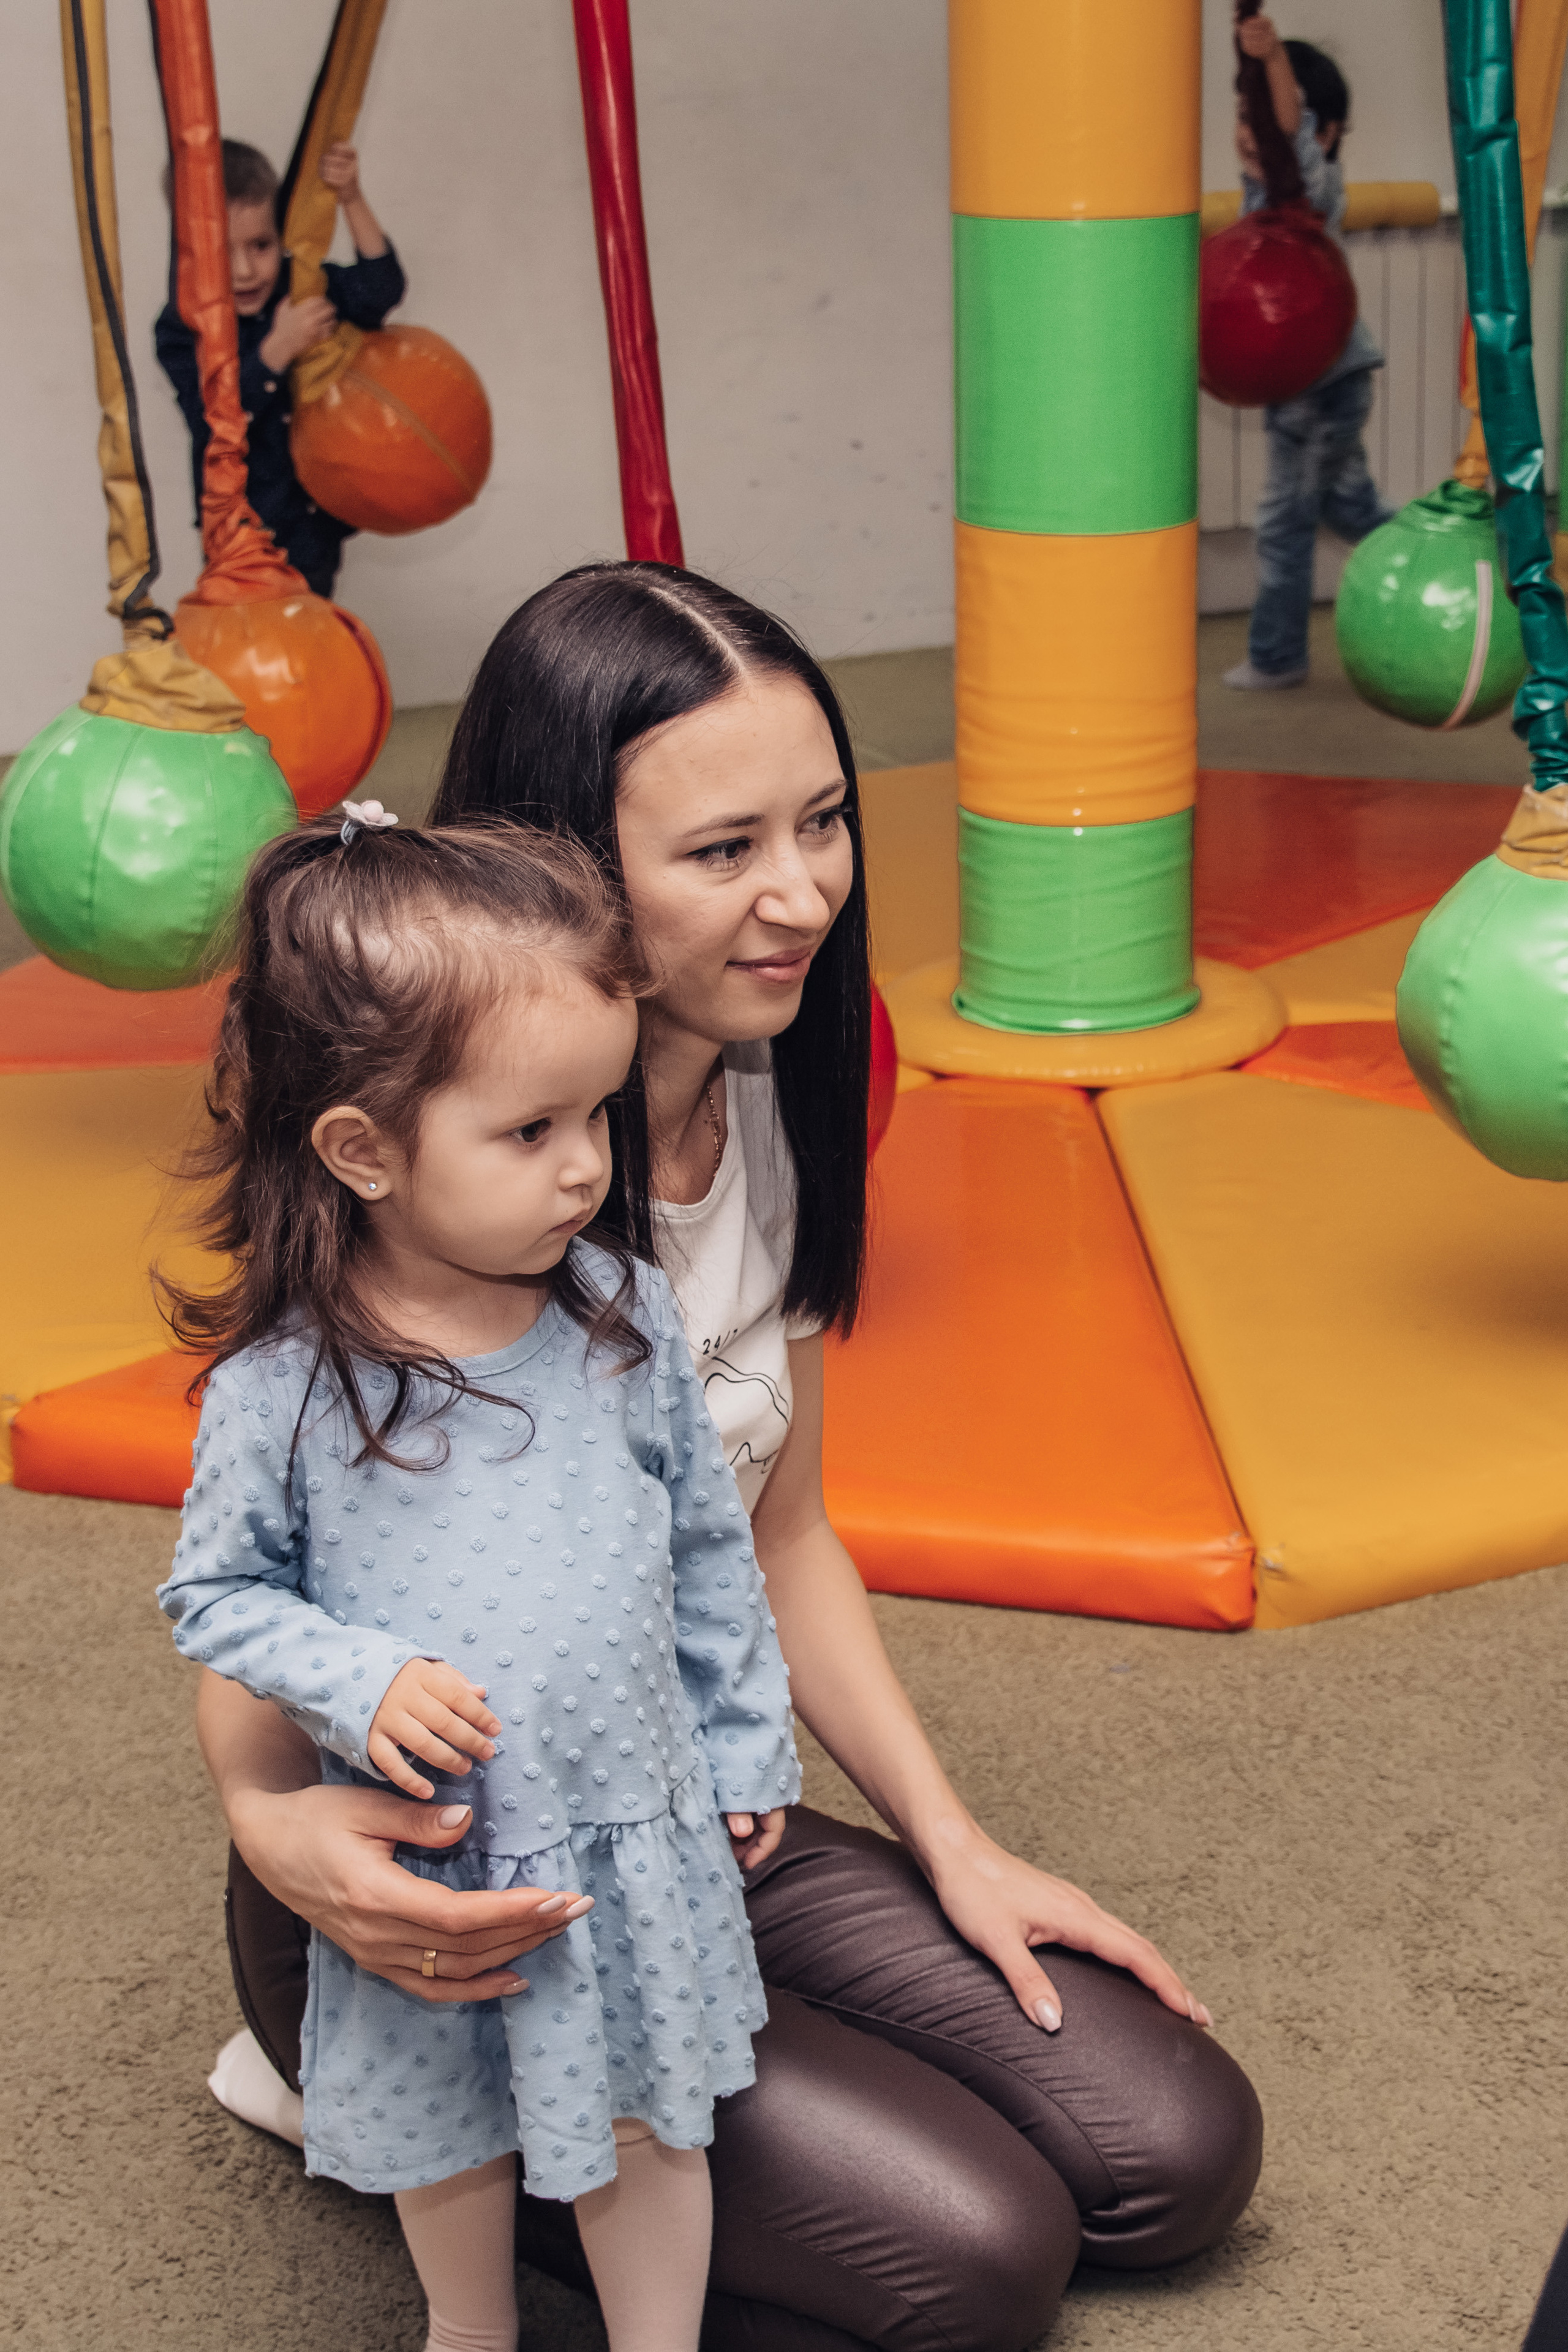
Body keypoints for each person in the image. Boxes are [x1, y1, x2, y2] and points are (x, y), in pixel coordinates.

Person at [197, 564, 1265, 2351]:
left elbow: (782, 1532)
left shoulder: (788, 1075)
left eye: (826, 817)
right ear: (557, 862)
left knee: (1171, 2150)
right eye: (722, 849)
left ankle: (656, 2116)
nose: (803, 892)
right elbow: (251, 1587)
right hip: (445, 1883)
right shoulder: (449, 1172)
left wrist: (954, 1840)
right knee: (980, 2262)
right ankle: (383, 2116)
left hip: (686, 1820)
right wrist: (282, 1831)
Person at [158, 807, 801, 2352]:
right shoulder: (285, 1387)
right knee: (452, 2131)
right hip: (446, 1856)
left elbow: (709, 1545)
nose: (587, 1167)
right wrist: (356, 1678)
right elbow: (217, 1597)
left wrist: (745, 1734)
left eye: (597, 1114)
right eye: (530, 1132)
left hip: (635, 1831)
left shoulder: (623, 1316)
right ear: (363, 1151)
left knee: (657, 2124)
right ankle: (471, 2328)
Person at [154, 138, 405, 597]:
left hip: (313, 521)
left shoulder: (302, 287)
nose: (245, 270)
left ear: (283, 232)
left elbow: (381, 288)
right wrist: (277, 350)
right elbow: (211, 421)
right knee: (251, 645)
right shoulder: (183, 326)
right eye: (222, 253)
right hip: (240, 530)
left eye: (261, 245)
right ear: (189, 251)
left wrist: (351, 198)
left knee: (311, 636)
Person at [1222, 18, 1392, 692]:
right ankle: (1466, 562)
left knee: (1284, 522)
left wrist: (1270, 67)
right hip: (1316, 381)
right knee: (1350, 510)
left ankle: (1277, 655)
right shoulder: (1264, 197)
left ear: (1323, 136)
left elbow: (1287, 133)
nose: (1250, 130)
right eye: (1242, 116)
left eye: (1261, 115)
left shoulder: (1307, 193)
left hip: (1321, 384)